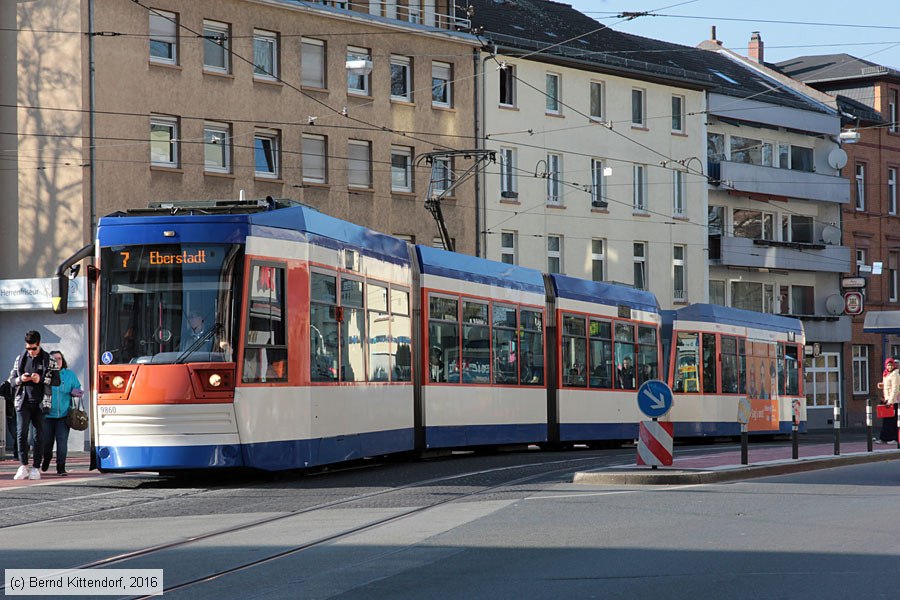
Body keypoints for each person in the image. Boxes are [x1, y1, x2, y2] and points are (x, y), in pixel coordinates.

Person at [8, 330, 58, 480]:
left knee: (38, 436)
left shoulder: (49, 360)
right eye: (28, 348)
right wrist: (20, 379)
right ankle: (23, 465)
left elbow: (57, 380)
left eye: (33, 348)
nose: (31, 351)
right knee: (21, 433)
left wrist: (40, 379)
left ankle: (36, 467)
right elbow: (11, 380)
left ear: (39, 344)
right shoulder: (20, 359)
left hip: (40, 402)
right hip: (23, 401)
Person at [42, 350, 81, 476]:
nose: (57, 361)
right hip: (47, 415)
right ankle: (47, 457)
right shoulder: (45, 374)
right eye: (54, 359)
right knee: (47, 443)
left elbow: (77, 388)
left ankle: (61, 467)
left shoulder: (69, 374)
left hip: (64, 415)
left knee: (62, 442)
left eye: (59, 358)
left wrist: (75, 392)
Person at [877, 357, 900, 444]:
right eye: (888, 365)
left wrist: (890, 401)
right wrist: (882, 385)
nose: (889, 367)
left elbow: (895, 389)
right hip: (886, 400)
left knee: (893, 421)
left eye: (891, 365)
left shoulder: (895, 374)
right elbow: (888, 385)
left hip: (893, 401)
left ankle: (894, 439)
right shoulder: (886, 373)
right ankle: (884, 438)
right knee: (886, 420)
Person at [1, 379, 16, 461]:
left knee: (19, 433)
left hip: (20, 412)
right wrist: (10, 399)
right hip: (11, 413)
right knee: (15, 433)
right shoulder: (6, 385)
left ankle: (17, 454)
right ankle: (18, 453)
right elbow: (1, 396)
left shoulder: (20, 383)